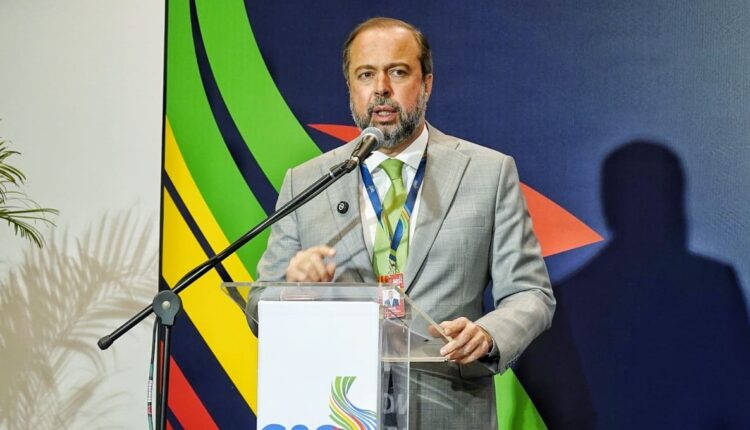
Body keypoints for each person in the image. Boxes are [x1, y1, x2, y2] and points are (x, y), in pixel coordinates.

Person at [251, 17, 555, 429]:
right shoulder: (307, 182)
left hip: (447, 406)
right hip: (336, 408)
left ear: (426, 84)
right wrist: (293, 289)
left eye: (397, 72)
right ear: (351, 88)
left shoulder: (488, 173)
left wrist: (486, 335)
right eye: (366, 74)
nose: (381, 89)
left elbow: (531, 293)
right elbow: (258, 306)